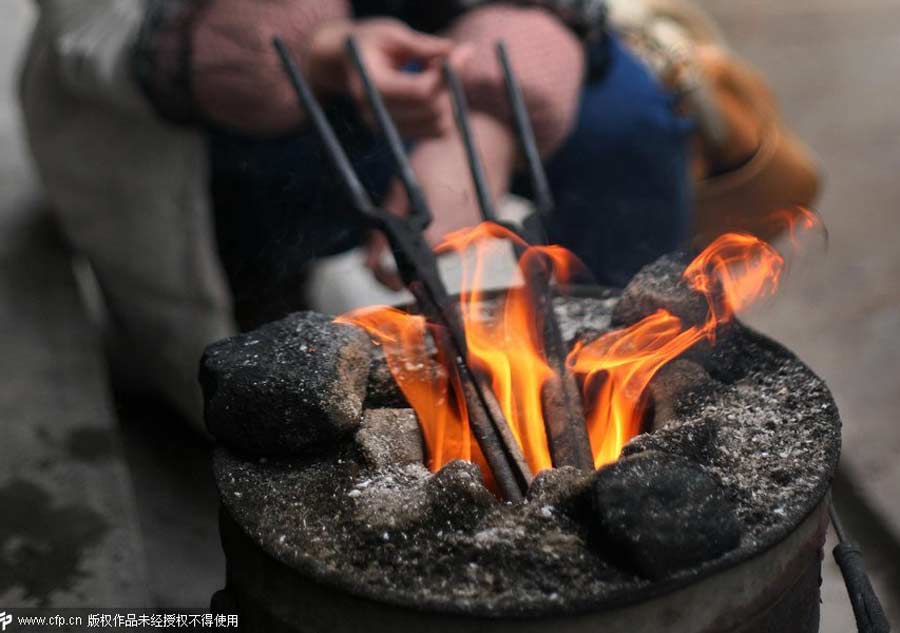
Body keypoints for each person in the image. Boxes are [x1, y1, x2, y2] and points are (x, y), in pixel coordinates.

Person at [20, 0, 817, 430]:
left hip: (457, 51)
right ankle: (278, 402)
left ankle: (618, 385)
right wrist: (306, 48)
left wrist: (487, 108)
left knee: (630, 125)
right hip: (233, 89)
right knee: (276, 209)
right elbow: (85, 32)